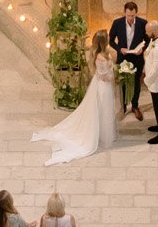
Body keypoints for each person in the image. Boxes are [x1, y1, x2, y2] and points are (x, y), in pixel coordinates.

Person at [32, 32, 118, 165]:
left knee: (105, 110)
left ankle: (103, 132)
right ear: (103, 41)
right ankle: (100, 134)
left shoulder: (104, 53)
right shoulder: (100, 58)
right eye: (108, 37)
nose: (110, 38)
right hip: (103, 86)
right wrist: (115, 74)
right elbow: (104, 76)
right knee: (103, 109)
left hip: (105, 86)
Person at [108, 2, 148, 123]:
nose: (131, 18)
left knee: (136, 83)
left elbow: (147, 40)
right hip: (123, 57)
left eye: (133, 15)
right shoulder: (117, 23)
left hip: (137, 58)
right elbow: (111, 41)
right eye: (129, 15)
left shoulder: (143, 23)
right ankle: (123, 106)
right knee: (123, 82)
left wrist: (142, 49)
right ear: (124, 12)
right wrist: (120, 49)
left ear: (136, 13)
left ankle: (135, 106)